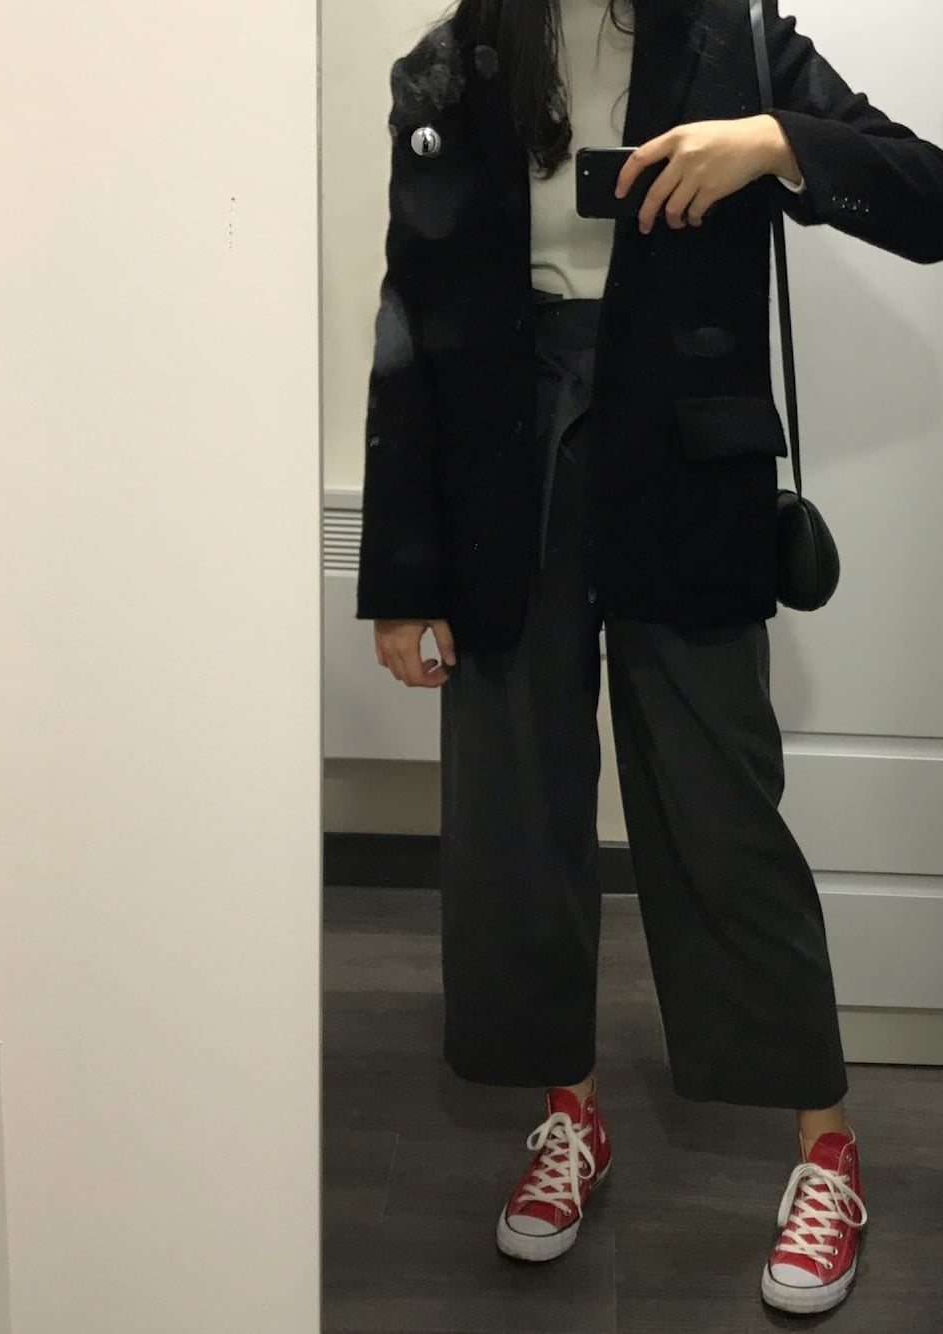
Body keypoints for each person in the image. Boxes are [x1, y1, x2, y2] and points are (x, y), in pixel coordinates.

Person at [356, 0, 943, 1316]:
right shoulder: (447, 68)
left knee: (722, 812)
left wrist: (777, 143)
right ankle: (570, 1113)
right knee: (518, 815)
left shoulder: (734, 39)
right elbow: (413, 325)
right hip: (507, 484)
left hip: (682, 477)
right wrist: (401, 578)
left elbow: (927, 194)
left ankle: (827, 1146)